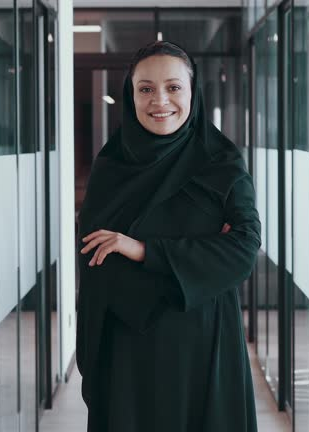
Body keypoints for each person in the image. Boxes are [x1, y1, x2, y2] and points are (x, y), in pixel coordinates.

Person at [76, 41, 262, 432]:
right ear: (131, 95)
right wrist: (205, 252)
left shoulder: (221, 163)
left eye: (174, 87)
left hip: (204, 343)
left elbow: (243, 250)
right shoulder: (112, 166)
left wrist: (141, 248)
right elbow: (96, 259)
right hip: (128, 347)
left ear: (192, 92)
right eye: (145, 88)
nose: (160, 100)